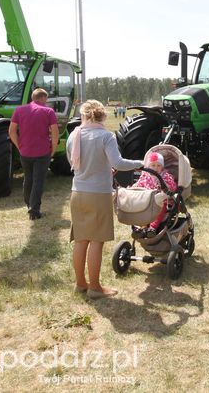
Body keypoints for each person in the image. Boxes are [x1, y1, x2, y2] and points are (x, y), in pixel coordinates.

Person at [66, 99, 142, 298]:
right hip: (98, 194)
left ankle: (80, 284)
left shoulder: (74, 135)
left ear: (83, 115)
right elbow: (118, 162)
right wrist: (139, 163)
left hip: (77, 193)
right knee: (97, 242)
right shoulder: (105, 136)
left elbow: (75, 163)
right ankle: (95, 288)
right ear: (102, 116)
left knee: (81, 241)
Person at [9, 88, 59, 220]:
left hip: (25, 151)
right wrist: (53, 149)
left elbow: (11, 131)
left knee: (28, 178)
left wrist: (18, 145)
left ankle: (29, 204)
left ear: (33, 97)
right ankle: (34, 210)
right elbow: (55, 132)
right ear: (44, 98)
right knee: (38, 181)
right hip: (42, 151)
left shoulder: (19, 110)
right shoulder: (49, 111)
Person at [131, 152, 177, 238]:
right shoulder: (145, 175)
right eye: (153, 165)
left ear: (162, 167)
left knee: (161, 208)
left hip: (161, 201)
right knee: (139, 209)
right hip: (146, 200)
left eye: (158, 165)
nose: (156, 168)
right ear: (148, 166)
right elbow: (139, 184)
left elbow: (173, 187)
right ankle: (141, 227)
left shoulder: (165, 175)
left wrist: (166, 186)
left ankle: (152, 227)